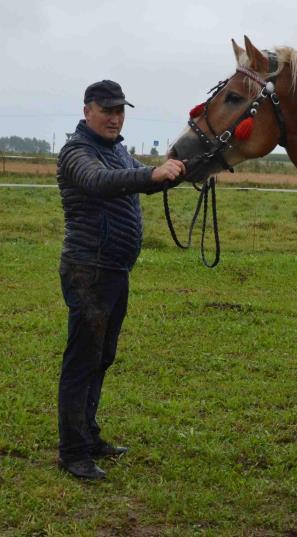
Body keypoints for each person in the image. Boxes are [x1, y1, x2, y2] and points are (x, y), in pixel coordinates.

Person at [56, 80, 185, 480]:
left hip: (113, 271)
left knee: (101, 356)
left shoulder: (116, 151)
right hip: (88, 270)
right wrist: (152, 172)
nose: (115, 117)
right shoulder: (77, 152)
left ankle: (89, 436)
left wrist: (182, 169)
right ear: (86, 111)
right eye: (107, 110)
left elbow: (144, 182)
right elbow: (99, 183)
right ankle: (73, 452)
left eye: (120, 110)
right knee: (82, 361)